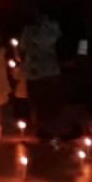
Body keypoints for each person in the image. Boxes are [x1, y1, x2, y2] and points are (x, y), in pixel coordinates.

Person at [20, 10, 61, 139]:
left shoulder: (28, 30)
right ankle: (49, 128)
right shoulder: (53, 27)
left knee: (36, 101)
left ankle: (41, 129)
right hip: (50, 68)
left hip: (35, 70)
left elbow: (22, 49)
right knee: (49, 100)